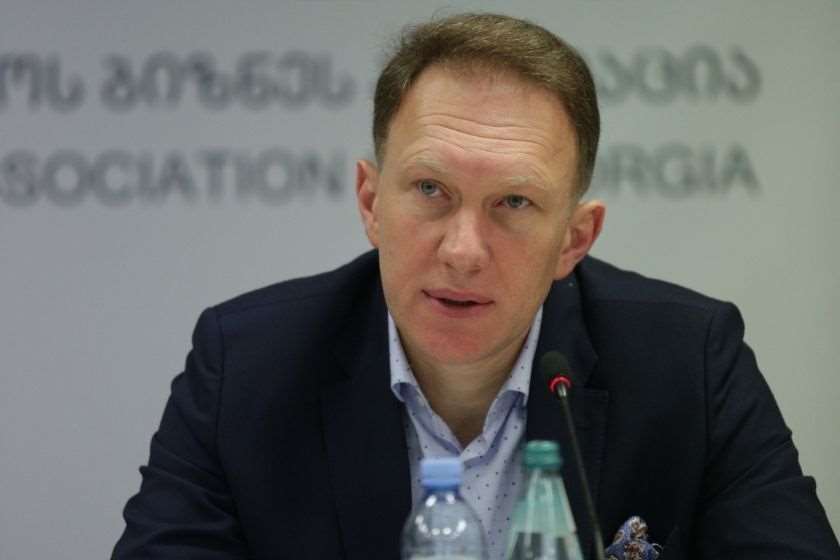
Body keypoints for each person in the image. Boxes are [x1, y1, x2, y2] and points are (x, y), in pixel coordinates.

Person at [112, 13, 839, 560]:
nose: (462, 251)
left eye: (513, 203)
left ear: (575, 239)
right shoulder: (247, 364)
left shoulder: (688, 360)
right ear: (370, 202)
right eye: (431, 189)